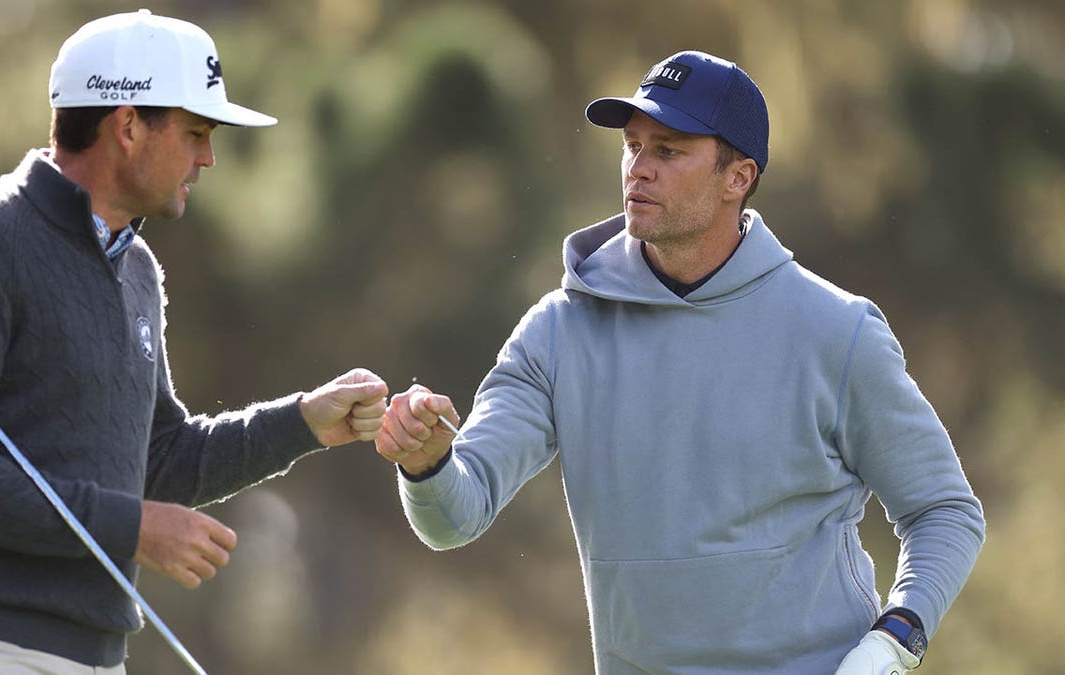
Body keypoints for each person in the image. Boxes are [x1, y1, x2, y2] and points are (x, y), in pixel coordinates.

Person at [376, 50, 985, 674]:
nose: (638, 170)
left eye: (668, 151)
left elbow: (943, 510)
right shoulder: (557, 334)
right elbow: (457, 513)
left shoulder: (837, 332)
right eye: (632, 147)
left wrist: (892, 642)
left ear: (738, 177)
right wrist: (427, 466)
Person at [0, 10, 389, 674]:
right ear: (126, 126)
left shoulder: (137, 272)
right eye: (195, 133)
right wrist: (133, 527)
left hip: (93, 655)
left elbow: (157, 461)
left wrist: (300, 423)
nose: (207, 157)